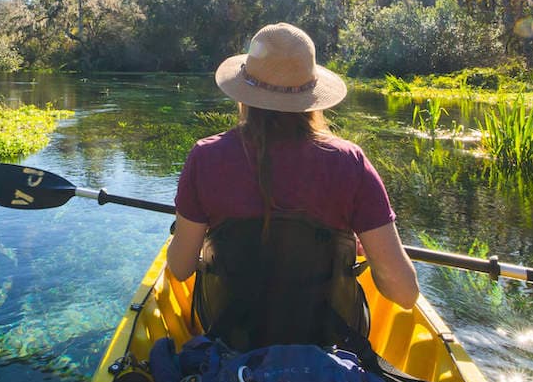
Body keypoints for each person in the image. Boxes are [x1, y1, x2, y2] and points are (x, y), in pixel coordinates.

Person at [167, 22, 419, 339]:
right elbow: (405, 294)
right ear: (312, 96)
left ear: (244, 92)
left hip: (229, 340)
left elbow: (180, 269)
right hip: (330, 346)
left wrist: (204, 242)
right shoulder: (350, 162)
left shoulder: (205, 157)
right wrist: (363, 252)